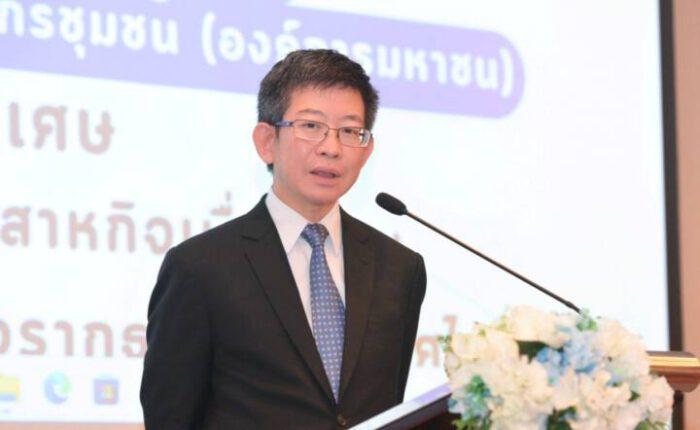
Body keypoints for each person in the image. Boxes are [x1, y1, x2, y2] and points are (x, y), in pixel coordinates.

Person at [140, 49, 427, 429]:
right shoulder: (200, 267)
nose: (331, 147)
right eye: (311, 126)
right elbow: (170, 417)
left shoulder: (400, 268)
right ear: (266, 141)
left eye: (349, 131)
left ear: (366, 150)